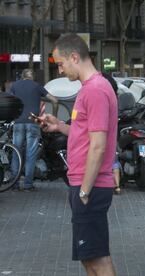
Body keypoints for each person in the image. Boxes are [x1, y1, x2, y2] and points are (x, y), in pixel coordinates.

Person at [38, 34, 117, 275]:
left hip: (89, 185)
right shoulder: (91, 88)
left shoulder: (94, 90)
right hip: (85, 182)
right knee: (89, 257)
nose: (60, 70)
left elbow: (98, 145)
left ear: (74, 57)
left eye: (61, 63)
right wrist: (60, 126)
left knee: (97, 258)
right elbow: (87, 134)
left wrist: (84, 190)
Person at [9, 68, 58, 191]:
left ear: (22, 76)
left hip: (18, 122)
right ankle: (28, 185)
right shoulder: (37, 86)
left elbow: (9, 101)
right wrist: (54, 116)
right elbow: (55, 100)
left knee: (16, 152)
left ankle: (14, 185)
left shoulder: (14, 86)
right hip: (33, 122)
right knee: (31, 154)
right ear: (33, 77)